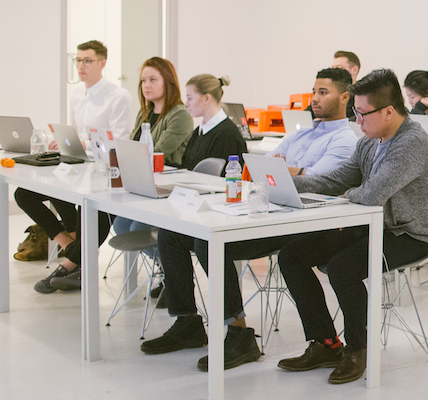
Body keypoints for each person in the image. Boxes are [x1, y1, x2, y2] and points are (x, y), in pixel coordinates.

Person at [139, 67, 358, 371]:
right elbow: (259, 167)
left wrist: (285, 172)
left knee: (211, 241)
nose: (315, 98)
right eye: (314, 91)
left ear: (345, 97)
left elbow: (315, 182)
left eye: (324, 92)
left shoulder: (346, 140)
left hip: (299, 221)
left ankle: (240, 334)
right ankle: (187, 322)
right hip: (268, 209)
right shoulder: (303, 132)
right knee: (171, 234)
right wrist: (287, 171)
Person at [276, 69, 428, 384]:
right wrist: (289, 183)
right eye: (356, 113)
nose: (358, 121)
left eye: (363, 114)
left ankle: (358, 349)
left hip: (408, 233)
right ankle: (325, 343)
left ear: (389, 111)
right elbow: (337, 179)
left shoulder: (412, 141)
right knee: (292, 255)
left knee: (342, 268)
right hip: (372, 226)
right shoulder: (369, 141)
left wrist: (347, 194)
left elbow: (371, 195)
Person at [20, 40, 128, 288]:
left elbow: (118, 144)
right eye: (78, 60)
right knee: (24, 194)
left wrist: (83, 143)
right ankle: (71, 247)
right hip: (77, 165)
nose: (81, 65)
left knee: (81, 204)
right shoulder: (77, 93)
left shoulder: (118, 96)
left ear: (102, 63)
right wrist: (64, 142)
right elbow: (75, 135)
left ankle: (74, 262)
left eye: (87, 60)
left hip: (102, 171)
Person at [109, 57, 195, 261]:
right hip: (143, 184)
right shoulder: (145, 112)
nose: (146, 85)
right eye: (143, 81)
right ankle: (165, 268)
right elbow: (132, 147)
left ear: (168, 81)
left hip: (168, 188)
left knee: (138, 227)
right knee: (120, 224)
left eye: (153, 80)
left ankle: (172, 272)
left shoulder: (180, 115)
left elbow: (157, 151)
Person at [331, 50, 360, 120]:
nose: (334, 72)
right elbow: (307, 114)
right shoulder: (330, 91)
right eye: (333, 68)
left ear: (354, 70)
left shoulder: (362, 94)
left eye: (339, 68)